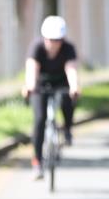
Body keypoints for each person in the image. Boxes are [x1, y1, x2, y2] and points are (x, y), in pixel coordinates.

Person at [22, 15, 80, 181]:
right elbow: (32, 68)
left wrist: (74, 86)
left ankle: (68, 129)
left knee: (69, 99)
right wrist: (30, 86)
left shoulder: (68, 48)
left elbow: (71, 69)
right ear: (44, 38)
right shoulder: (36, 47)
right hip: (40, 85)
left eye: (58, 40)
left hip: (62, 83)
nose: (54, 44)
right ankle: (38, 162)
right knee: (40, 119)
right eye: (51, 40)